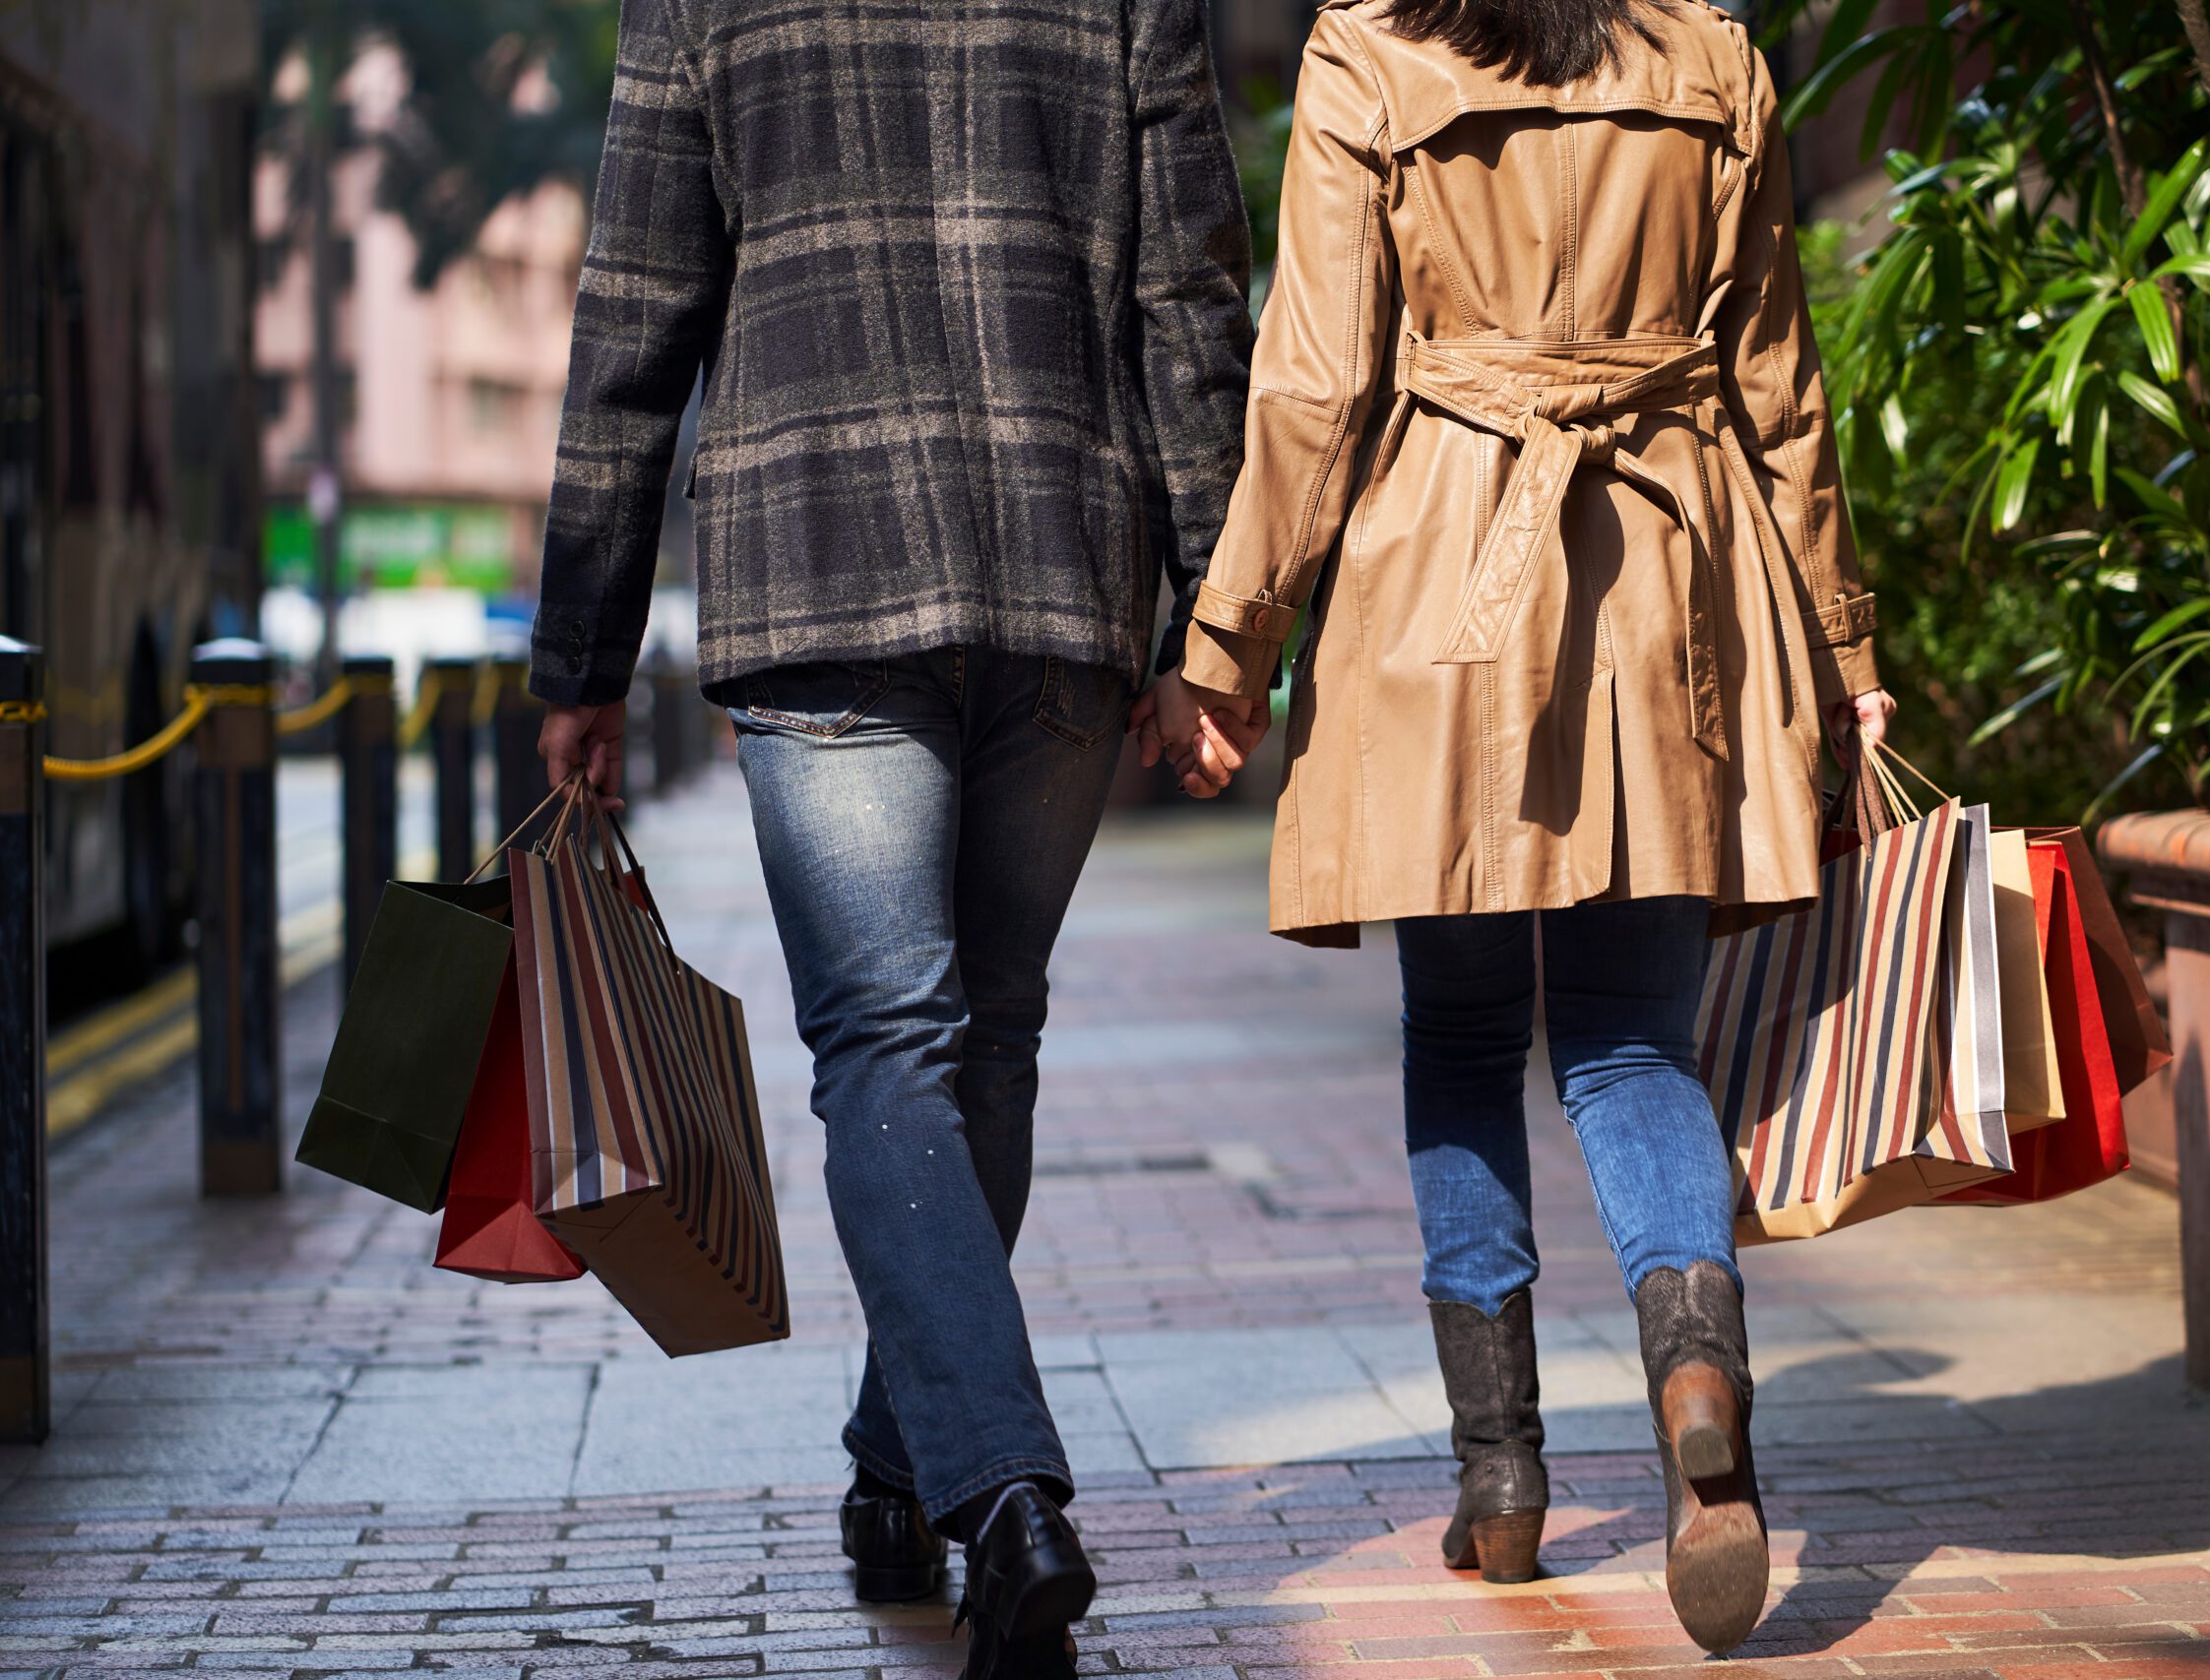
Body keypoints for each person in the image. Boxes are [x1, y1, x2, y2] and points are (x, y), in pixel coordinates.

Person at [1150, 0, 1896, 1651]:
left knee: (1463, 1043)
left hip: (1443, 594)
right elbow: (1779, 377)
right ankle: (1696, 1372)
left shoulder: (1371, 54)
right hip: (1666, 573)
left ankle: (1501, 1487)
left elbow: (1317, 381)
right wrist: (1843, 643)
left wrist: (1227, 651)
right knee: (1637, 1046)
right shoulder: (1712, 57)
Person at [527, 0, 1262, 1671]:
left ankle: (999, 1499)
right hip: (1066, 563)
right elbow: (1190, 302)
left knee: (889, 1051)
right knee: (978, 1045)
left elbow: (634, 315)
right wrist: (1216, 619)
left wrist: (584, 649)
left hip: (821, 560)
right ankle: (893, 1474)